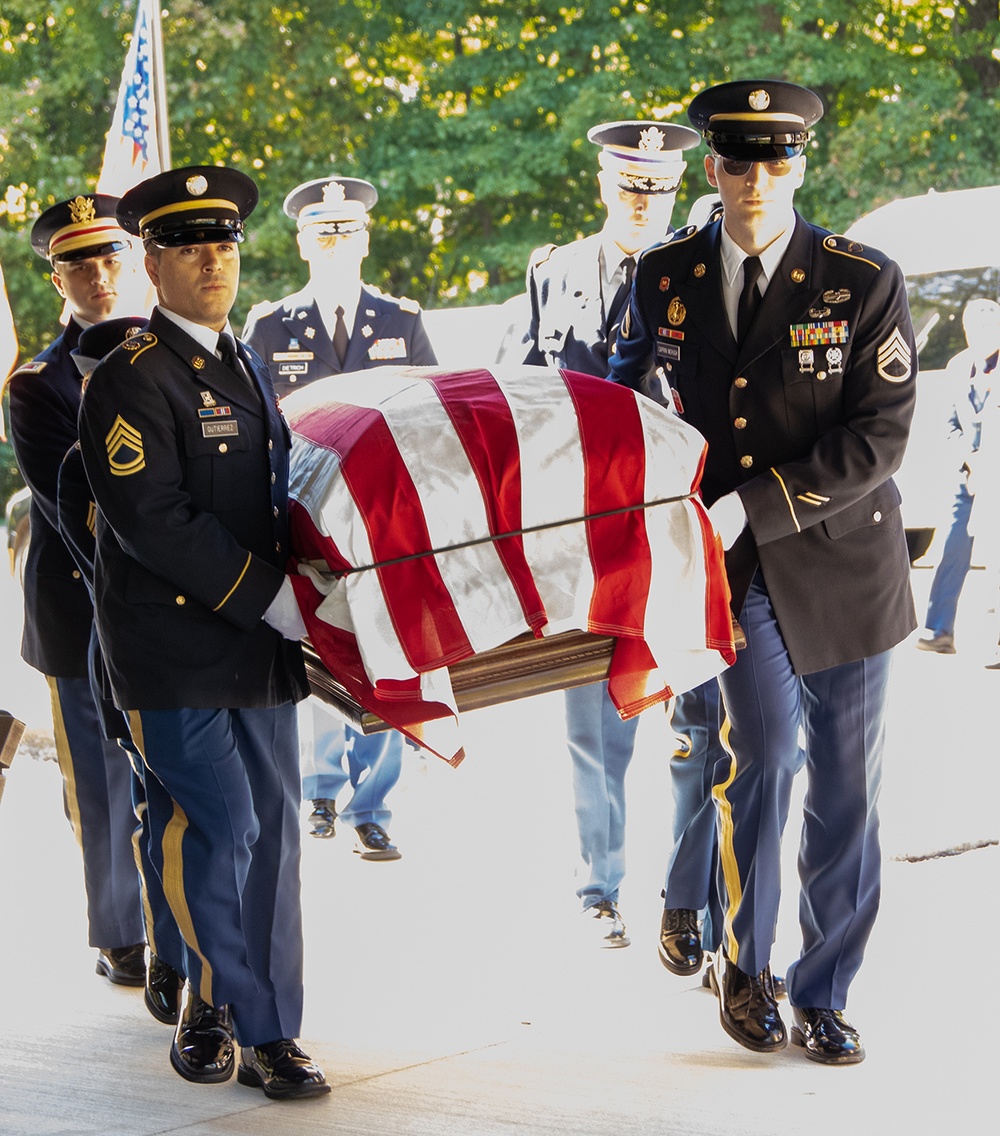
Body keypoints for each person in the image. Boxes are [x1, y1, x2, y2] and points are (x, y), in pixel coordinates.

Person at [609, 79, 917, 1063]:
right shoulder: (664, 276)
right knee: (765, 757)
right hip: (729, 570)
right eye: (737, 161)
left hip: (845, 571)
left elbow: (882, 435)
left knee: (843, 792)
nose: (755, 179)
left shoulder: (860, 277)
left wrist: (760, 499)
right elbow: (620, 403)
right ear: (713, 168)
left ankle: (822, 989)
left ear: (798, 166)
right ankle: (746, 962)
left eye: (775, 160)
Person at [78, 166, 329, 1099]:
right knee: (223, 827)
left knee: (276, 845)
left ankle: (273, 1031)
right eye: (190, 245)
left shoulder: (246, 361)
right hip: (172, 652)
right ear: (152, 261)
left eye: (223, 243)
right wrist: (271, 596)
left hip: (258, 649)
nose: (213, 260)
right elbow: (157, 520)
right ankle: (225, 1008)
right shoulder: (129, 378)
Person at [502, 118, 701, 946]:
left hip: (687, 527)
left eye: (658, 189)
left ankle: (686, 898)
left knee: (698, 723)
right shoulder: (555, 275)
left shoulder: (705, 268)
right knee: (595, 726)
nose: (644, 204)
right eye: (630, 187)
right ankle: (598, 889)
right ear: (603, 186)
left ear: (677, 191)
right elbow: (517, 401)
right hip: (586, 534)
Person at [244, 174, 438, 861]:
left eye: (346, 233)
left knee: (387, 652)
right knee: (322, 646)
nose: (335, 245)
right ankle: (321, 789)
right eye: (323, 234)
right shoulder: (269, 326)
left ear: (364, 240)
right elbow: (257, 431)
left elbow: (430, 421)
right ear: (303, 243)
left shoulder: (401, 322)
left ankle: (374, 804)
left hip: (386, 522)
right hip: (304, 517)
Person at [7, 194, 148, 985]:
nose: (98, 275)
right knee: (96, 777)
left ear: (130, 262)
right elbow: (71, 508)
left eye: (110, 257)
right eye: (79, 263)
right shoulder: (37, 385)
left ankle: (165, 914)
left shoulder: (168, 354)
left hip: (165, 603)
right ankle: (120, 932)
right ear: (55, 277)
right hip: (79, 607)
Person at [58, 316, 185, 1026]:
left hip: (195, 666)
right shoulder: (83, 466)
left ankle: (189, 954)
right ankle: (165, 949)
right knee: (156, 811)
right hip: (130, 661)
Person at [915, 298, 1000, 655]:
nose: (982, 331)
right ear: (966, 331)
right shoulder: (958, 366)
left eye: (989, 325)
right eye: (975, 326)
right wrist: (970, 458)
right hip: (969, 471)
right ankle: (939, 631)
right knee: (952, 542)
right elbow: (948, 425)